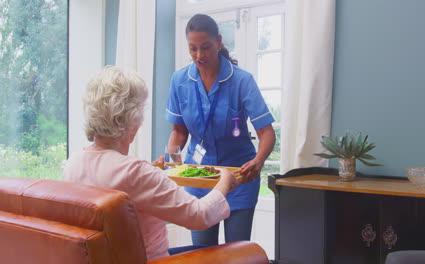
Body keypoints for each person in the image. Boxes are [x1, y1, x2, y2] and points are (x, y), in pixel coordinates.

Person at [62, 66, 239, 260]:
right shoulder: (135, 172)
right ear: (133, 118)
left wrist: (152, 173)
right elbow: (199, 215)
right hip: (150, 260)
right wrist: (224, 181)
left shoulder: (72, 164)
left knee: (200, 246)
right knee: (235, 252)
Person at [155, 14, 276, 246]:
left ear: (219, 42)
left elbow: (266, 133)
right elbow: (179, 132)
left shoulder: (242, 81)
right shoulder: (179, 80)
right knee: (203, 255)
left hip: (239, 179)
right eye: (193, 49)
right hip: (200, 181)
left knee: (237, 254)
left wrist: (259, 161)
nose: (199, 55)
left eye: (206, 47)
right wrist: (172, 160)